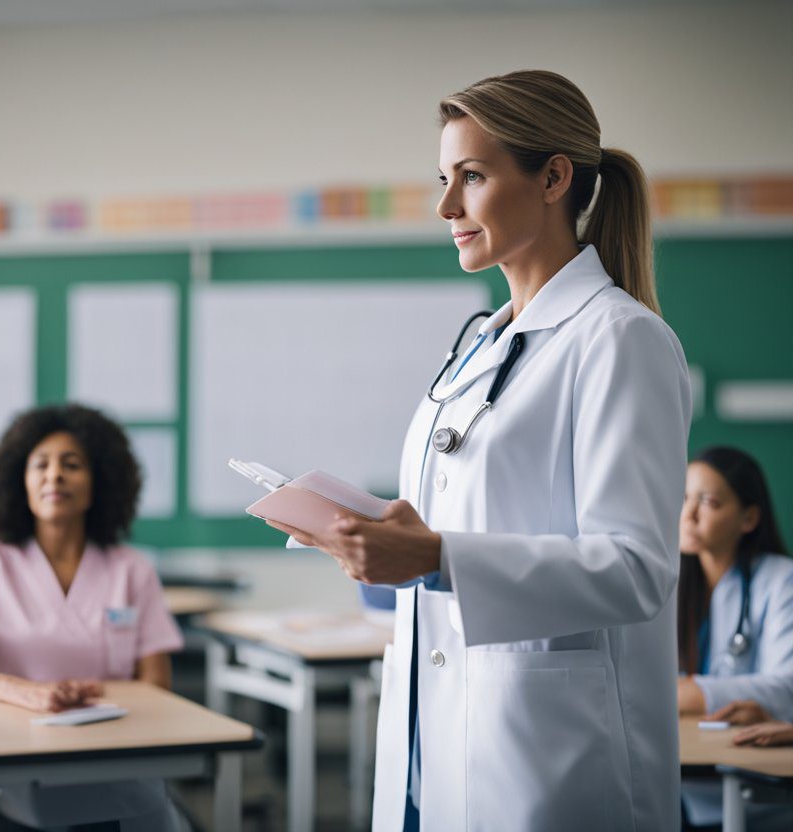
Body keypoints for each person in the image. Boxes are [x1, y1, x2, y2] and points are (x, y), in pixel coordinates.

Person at [269, 70, 691, 831]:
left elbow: (637, 571)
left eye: (472, 176)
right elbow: (450, 526)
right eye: (444, 178)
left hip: (549, 756)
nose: (445, 207)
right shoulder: (481, 344)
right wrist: (367, 542)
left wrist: (437, 558)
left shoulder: (620, 340)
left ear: (554, 177)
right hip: (437, 726)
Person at [0, 403, 185, 831]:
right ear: (20, 481)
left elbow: (157, 683)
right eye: (41, 465)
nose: (55, 476)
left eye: (72, 464)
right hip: (23, 763)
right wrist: (29, 693)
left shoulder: (131, 568)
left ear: (99, 481)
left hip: (117, 760)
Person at [675, 447, 792, 828]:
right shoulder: (664, 583)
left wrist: (687, 692)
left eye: (707, 502)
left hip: (753, 783)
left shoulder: (780, 580)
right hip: (680, 779)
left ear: (749, 517)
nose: (688, 514)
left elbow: (786, 687)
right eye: (683, 497)